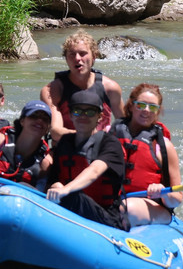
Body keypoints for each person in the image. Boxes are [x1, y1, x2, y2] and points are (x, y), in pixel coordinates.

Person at [44, 89, 127, 230]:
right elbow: (53, 179)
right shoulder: (64, 142)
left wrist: (66, 189)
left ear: (100, 117)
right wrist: (55, 186)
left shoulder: (110, 143)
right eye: (77, 111)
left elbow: (94, 171)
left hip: (105, 218)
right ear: (70, 115)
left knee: (71, 196)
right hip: (69, 211)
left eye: (90, 112)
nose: (83, 116)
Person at [113, 83, 183, 226]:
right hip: (114, 200)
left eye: (152, 107)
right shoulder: (110, 136)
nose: (146, 110)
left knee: (126, 209)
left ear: (157, 111)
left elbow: (177, 199)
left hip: (150, 207)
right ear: (131, 106)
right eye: (141, 105)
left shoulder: (164, 147)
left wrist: (163, 192)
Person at [41, 31, 122, 144]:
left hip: (101, 147)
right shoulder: (52, 90)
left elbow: (125, 126)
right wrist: (94, 135)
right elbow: (56, 131)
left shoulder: (110, 88)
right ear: (66, 59)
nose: (77, 58)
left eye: (83, 53)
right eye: (72, 54)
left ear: (94, 57)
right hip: (67, 148)